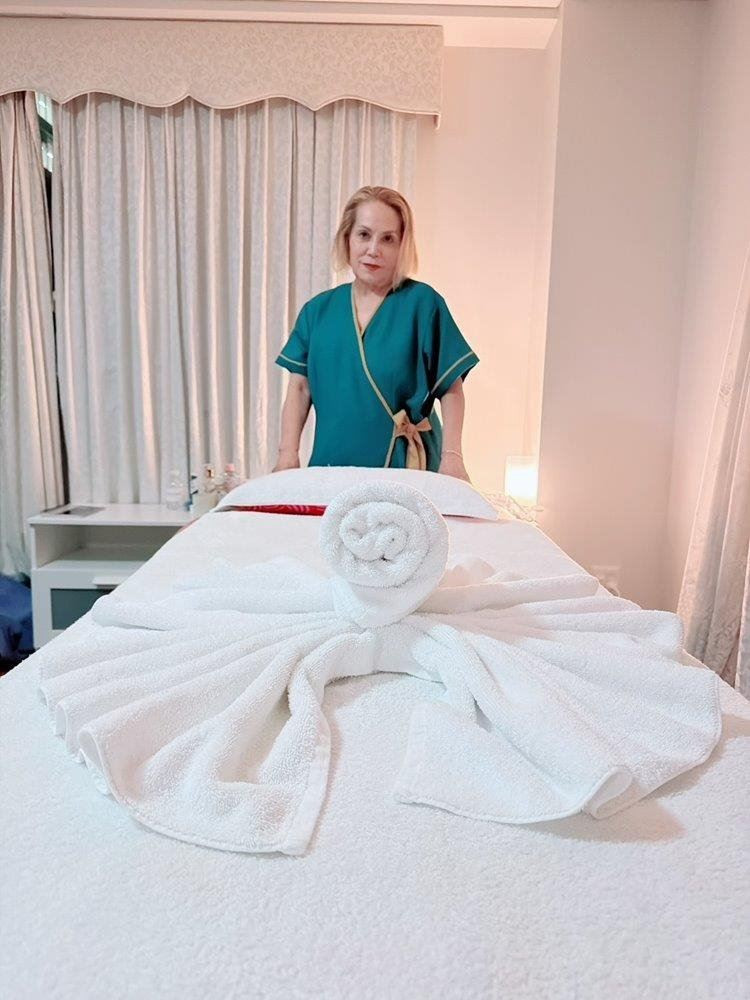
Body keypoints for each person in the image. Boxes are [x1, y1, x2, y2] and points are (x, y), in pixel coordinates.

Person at [273, 186, 478, 479]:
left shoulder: (423, 304)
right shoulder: (317, 311)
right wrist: (287, 455)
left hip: (404, 469)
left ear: (402, 245)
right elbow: (299, 388)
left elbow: (451, 387)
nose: (373, 250)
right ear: (347, 238)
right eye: (364, 234)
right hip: (331, 467)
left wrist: (452, 457)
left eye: (388, 239)